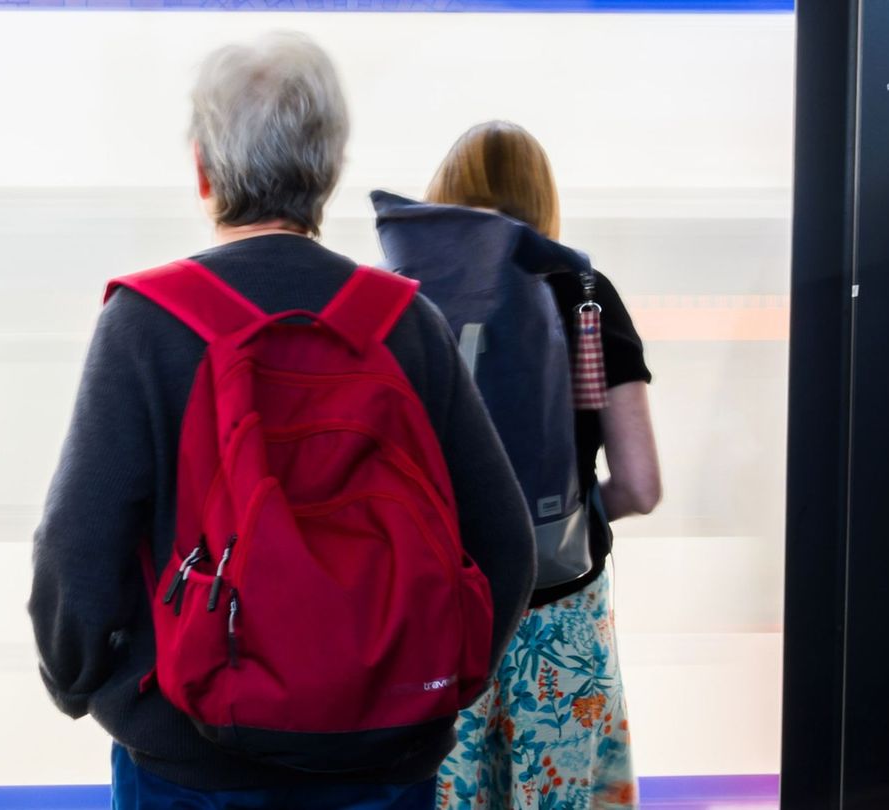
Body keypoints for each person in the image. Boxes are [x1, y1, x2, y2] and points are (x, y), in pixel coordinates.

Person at [29, 34, 536, 809]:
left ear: (202, 169)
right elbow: (505, 544)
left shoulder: (147, 322)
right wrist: (425, 681)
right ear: (329, 171)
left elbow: (76, 548)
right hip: (384, 761)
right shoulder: (406, 323)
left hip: (190, 757)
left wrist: (102, 691)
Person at [423, 121, 662, 809]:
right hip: (561, 620)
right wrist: (567, 513)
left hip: (449, 621)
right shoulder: (586, 299)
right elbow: (641, 487)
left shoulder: (417, 303)